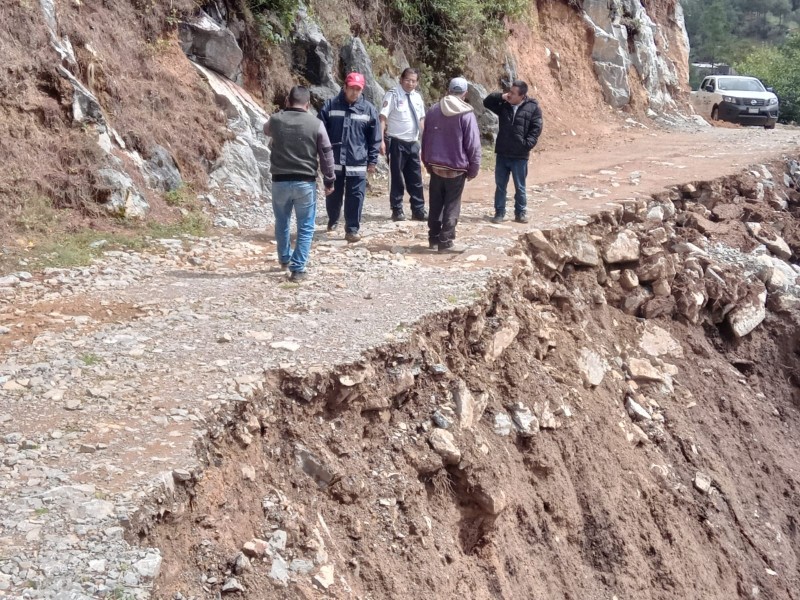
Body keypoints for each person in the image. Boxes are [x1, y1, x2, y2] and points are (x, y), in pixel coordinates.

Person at [263, 85, 335, 281]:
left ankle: (284, 258)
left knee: (282, 221)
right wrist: (329, 180)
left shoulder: (276, 119)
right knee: (305, 226)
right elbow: (326, 154)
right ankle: (298, 269)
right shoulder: (316, 123)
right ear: (308, 104)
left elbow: (266, 130)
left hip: (279, 181)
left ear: (287, 101)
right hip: (305, 182)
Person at [318, 72, 382, 243]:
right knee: (333, 194)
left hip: (357, 161)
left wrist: (372, 160)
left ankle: (352, 229)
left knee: (356, 196)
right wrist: (322, 157)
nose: (354, 92)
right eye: (352, 88)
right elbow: (320, 132)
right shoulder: (330, 106)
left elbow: (374, 137)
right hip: (334, 160)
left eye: (358, 89)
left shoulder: (368, 109)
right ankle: (333, 220)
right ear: (344, 87)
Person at [420, 77, 481, 253]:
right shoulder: (466, 113)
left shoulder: (433, 110)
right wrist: (473, 169)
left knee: (436, 203)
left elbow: (426, 138)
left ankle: (433, 238)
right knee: (452, 205)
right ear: (465, 94)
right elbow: (473, 145)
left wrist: (427, 161)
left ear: (448, 90)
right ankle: (445, 241)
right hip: (456, 168)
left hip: (436, 166)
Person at [483, 79, 543, 224]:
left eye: (513, 93)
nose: (509, 95)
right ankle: (499, 213)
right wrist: (502, 96)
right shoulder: (504, 105)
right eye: (509, 91)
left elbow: (536, 128)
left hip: (520, 155)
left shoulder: (533, 108)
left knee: (520, 186)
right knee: (500, 185)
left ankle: (520, 213)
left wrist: (527, 144)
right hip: (503, 153)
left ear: (522, 96)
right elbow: (487, 102)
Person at [379, 67, 427, 222]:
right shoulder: (393, 94)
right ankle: (397, 209)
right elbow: (382, 118)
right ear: (401, 79)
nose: (410, 83)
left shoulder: (417, 97)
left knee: (416, 177)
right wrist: (381, 140)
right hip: (396, 142)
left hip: (413, 142)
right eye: (408, 80)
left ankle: (418, 209)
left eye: (413, 81)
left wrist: (425, 141)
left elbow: (421, 120)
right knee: (397, 178)